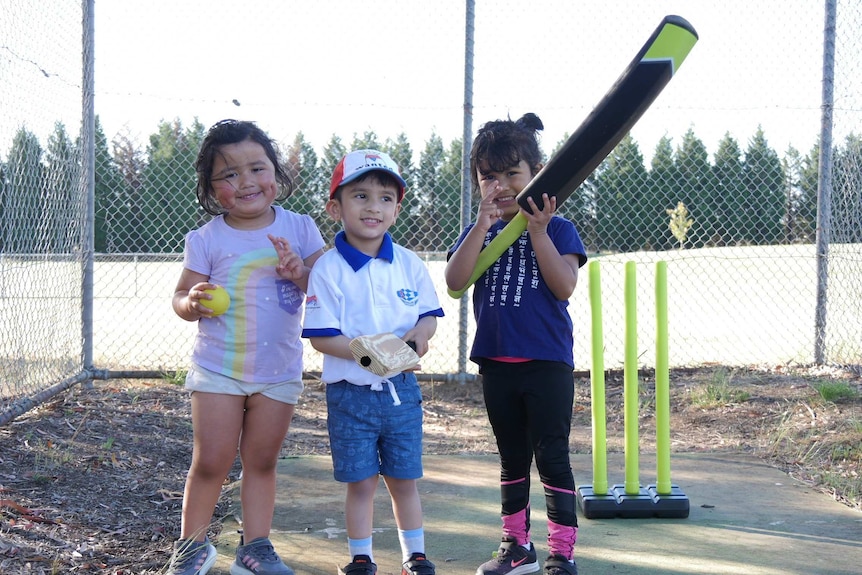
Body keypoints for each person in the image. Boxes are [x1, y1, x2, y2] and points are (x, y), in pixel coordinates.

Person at [170, 119, 325, 575]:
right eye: (229, 175)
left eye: (256, 168)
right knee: (211, 460)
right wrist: (192, 302)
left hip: (277, 370)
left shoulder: (300, 228)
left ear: (275, 173)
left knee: (261, 461)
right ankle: (191, 547)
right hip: (217, 368)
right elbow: (180, 298)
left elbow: (325, 291)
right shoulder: (207, 238)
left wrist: (299, 272)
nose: (246, 182)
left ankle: (255, 548)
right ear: (212, 188)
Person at [445, 113, 588, 575]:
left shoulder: (559, 228)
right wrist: (481, 225)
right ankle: (516, 546)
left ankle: (562, 552)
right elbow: (455, 281)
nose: (501, 185)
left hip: (546, 364)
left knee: (552, 455)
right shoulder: (478, 231)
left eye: (513, 174)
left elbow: (563, 286)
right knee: (511, 457)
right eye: (489, 176)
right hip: (497, 365)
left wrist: (539, 232)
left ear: (536, 174)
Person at [301, 150, 444, 575]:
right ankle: (361, 557)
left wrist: (420, 336)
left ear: (397, 210)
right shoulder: (327, 269)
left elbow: (426, 317)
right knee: (361, 482)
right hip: (349, 396)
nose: (373, 207)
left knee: (404, 480)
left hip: (402, 393)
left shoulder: (410, 263)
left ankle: (414, 555)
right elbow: (324, 339)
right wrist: (375, 356)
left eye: (385, 198)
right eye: (360, 196)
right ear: (335, 207)